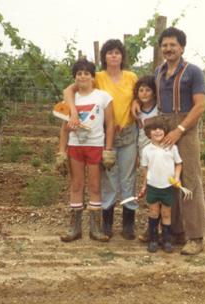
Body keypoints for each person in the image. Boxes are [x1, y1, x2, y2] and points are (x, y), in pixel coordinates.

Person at [132, 27, 205, 255]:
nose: (168, 48)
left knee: (189, 180)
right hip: (163, 124)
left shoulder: (193, 72)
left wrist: (180, 129)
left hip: (185, 125)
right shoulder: (158, 72)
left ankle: (196, 237)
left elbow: (200, 106)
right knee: (165, 177)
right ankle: (174, 231)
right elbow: (145, 93)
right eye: (164, 45)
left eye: (173, 44)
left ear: (182, 47)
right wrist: (134, 101)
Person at [63, 39, 139, 240]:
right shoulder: (97, 78)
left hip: (128, 134)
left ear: (122, 57)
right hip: (106, 138)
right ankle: (105, 224)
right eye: (109, 53)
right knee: (108, 180)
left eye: (117, 52)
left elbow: (139, 95)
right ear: (103, 57)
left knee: (128, 179)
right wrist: (72, 111)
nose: (114, 56)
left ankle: (128, 225)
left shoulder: (131, 77)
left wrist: (136, 103)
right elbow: (70, 90)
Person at [56, 58, 114, 243]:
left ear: (92, 76)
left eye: (86, 73)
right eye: (79, 73)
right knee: (76, 185)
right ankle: (75, 227)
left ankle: (95, 228)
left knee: (95, 187)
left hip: (96, 146)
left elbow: (110, 124)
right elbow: (64, 127)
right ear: (75, 77)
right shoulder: (71, 99)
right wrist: (61, 151)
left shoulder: (103, 97)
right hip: (75, 147)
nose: (83, 76)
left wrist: (108, 150)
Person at [140, 116, 182, 253]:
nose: (157, 132)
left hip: (167, 187)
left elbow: (178, 164)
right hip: (153, 186)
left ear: (165, 131)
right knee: (153, 212)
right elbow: (146, 169)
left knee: (165, 213)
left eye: (160, 129)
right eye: (154, 129)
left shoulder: (172, 148)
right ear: (148, 133)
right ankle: (153, 240)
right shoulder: (146, 150)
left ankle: (166, 241)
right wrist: (144, 185)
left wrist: (176, 178)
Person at [134, 75, 158, 168]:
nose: (144, 93)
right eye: (141, 90)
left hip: (158, 149)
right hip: (143, 149)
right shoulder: (136, 112)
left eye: (148, 90)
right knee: (147, 176)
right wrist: (137, 154)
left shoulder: (159, 109)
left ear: (154, 93)